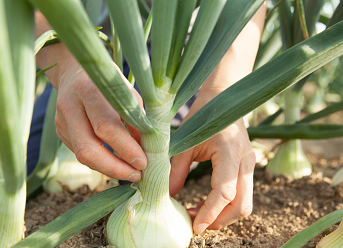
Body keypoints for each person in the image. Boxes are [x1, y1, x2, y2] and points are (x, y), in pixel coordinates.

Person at [34, 3, 266, 235]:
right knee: (28, 172)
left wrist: (222, 93)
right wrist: (69, 66)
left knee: (193, 162)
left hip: (192, 62)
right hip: (90, 47)